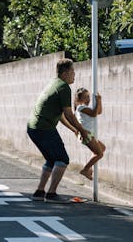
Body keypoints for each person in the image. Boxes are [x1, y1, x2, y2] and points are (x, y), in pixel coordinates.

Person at [27, 58, 92, 203]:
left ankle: (39, 192)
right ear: (66, 72)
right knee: (62, 159)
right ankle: (51, 194)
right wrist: (82, 129)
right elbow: (68, 114)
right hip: (43, 128)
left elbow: (61, 115)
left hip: (34, 127)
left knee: (51, 159)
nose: (74, 75)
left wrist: (73, 129)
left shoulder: (53, 83)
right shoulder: (64, 87)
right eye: (73, 72)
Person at [73, 87, 106, 180]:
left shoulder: (86, 108)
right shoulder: (80, 107)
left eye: (88, 97)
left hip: (90, 134)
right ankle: (85, 169)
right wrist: (98, 101)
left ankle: (89, 168)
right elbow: (94, 114)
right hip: (86, 134)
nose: (88, 99)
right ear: (79, 99)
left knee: (102, 148)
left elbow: (98, 112)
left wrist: (100, 101)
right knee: (99, 154)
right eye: (85, 97)